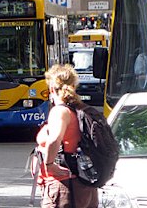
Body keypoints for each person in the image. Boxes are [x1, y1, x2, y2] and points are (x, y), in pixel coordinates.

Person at [36, 64, 98, 208]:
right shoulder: (81, 110)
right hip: (84, 184)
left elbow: (54, 139)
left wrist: (49, 165)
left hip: (65, 187)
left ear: (51, 89)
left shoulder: (60, 112)